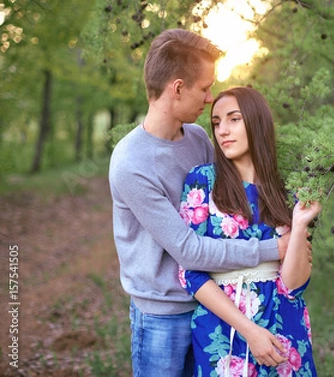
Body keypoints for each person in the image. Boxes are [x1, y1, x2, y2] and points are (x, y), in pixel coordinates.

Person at [108, 29, 297, 377]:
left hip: (212, 306)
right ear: (177, 88)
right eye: (204, 88)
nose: (210, 98)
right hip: (161, 317)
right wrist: (274, 249)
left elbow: (233, 204)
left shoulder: (197, 138)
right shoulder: (131, 163)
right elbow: (190, 251)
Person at [179, 86, 320, 376]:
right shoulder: (203, 181)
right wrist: (249, 331)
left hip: (283, 323)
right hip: (222, 328)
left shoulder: (287, 189)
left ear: (256, 122)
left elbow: (294, 284)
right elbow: (189, 272)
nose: (222, 131)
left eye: (234, 119)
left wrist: (301, 224)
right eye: (216, 123)